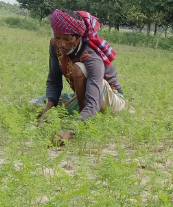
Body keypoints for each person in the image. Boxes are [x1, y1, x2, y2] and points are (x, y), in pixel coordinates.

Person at [32, 9, 126, 142]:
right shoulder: (55, 46)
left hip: (108, 98)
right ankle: (83, 115)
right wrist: (47, 111)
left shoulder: (91, 55)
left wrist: (70, 130)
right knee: (38, 104)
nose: (61, 44)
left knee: (78, 68)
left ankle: (84, 120)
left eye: (67, 39)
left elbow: (93, 103)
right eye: (58, 37)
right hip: (84, 97)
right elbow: (54, 80)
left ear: (78, 37)